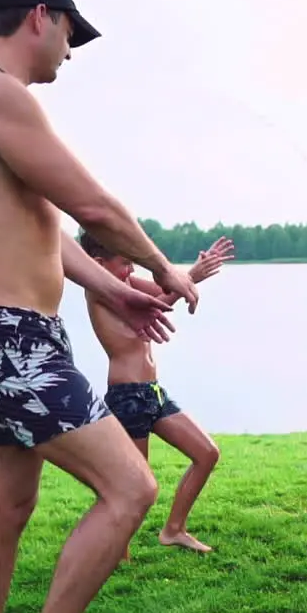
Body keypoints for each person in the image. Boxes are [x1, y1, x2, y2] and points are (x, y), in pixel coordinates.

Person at [0, 0, 200, 613]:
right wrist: (165, 269)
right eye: (71, 34)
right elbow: (96, 210)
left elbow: (46, 227)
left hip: (2, 334)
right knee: (132, 487)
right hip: (12, 338)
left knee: (7, 504)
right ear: (41, 16)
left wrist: (114, 288)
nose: (71, 53)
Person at [80, 231, 235, 560]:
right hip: (127, 397)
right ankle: (116, 549)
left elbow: (166, 291)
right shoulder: (98, 289)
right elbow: (157, 306)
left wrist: (193, 274)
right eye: (124, 263)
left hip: (153, 392)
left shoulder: (127, 281)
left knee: (207, 453)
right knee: (133, 485)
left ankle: (173, 530)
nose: (129, 271)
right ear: (98, 263)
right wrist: (190, 277)